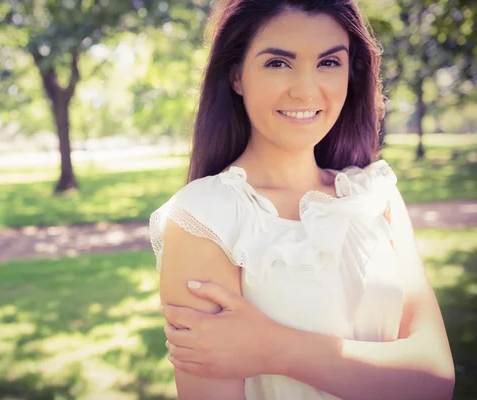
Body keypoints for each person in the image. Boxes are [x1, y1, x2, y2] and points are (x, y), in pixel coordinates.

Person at [149, 0, 455, 399]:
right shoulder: (206, 219)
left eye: (329, 62)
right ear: (236, 75)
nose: (306, 89)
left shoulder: (375, 196)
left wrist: (275, 348)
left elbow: (435, 378)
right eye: (278, 63)